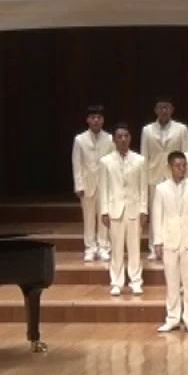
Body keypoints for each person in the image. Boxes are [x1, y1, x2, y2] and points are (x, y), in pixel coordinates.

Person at [151, 152, 188, 334]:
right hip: (169, 239)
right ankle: (172, 318)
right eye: (177, 165)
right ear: (170, 167)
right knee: (172, 282)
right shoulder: (161, 189)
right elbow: (157, 216)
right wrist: (157, 241)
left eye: (183, 165)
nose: (181, 168)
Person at [97, 124, 147, 296]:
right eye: (119, 136)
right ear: (114, 139)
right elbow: (104, 187)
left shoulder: (140, 160)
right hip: (115, 209)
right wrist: (104, 211)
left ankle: (135, 281)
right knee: (116, 248)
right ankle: (117, 281)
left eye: (126, 135)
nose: (123, 139)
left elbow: (143, 188)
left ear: (130, 138)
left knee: (135, 248)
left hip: (134, 209)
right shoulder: (106, 161)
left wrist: (144, 210)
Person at [141, 99, 188, 260]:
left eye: (167, 107)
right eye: (161, 107)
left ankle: (173, 244)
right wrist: (143, 177)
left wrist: (185, 176)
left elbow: (186, 153)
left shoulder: (181, 129)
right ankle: (153, 247)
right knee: (155, 212)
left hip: (175, 174)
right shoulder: (147, 130)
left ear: (172, 109)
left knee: (174, 211)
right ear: (155, 110)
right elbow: (144, 156)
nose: (164, 110)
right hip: (154, 174)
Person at [71, 105, 114, 262]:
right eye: (93, 117)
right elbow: (77, 163)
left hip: (104, 184)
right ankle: (90, 247)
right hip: (87, 184)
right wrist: (79, 185)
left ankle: (104, 246)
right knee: (88, 218)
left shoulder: (110, 139)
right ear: (88, 120)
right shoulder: (80, 139)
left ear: (103, 120)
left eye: (99, 118)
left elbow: (113, 163)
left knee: (104, 216)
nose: (96, 120)